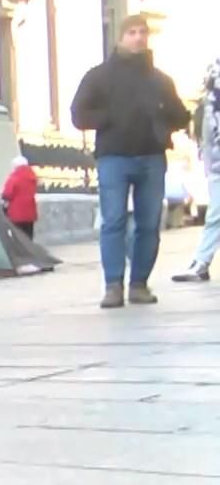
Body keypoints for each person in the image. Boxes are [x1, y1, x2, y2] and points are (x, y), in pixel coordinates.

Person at [70, 15, 191, 308]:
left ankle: (139, 284)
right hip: (114, 157)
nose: (138, 38)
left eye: (142, 33)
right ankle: (113, 285)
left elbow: (181, 115)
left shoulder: (159, 80)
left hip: (151, 157)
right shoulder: (100, 76)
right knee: (113, 221)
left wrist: (162, 121)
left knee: (149, 224)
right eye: (132, 32)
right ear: (121, 37)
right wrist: (109, 118)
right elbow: (78, 114)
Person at [171, 61, 220, 283]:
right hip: (216, 165)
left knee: (216, 215)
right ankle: (200, 262)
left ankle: (201, 262)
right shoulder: (209, 103)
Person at [2, 155, 39, 240]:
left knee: (17, 236)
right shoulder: (32, 177)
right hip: (30, 212)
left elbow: (7, 194)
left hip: (16, 213)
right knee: (28, 235)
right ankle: (29, 251)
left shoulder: (15, 177)